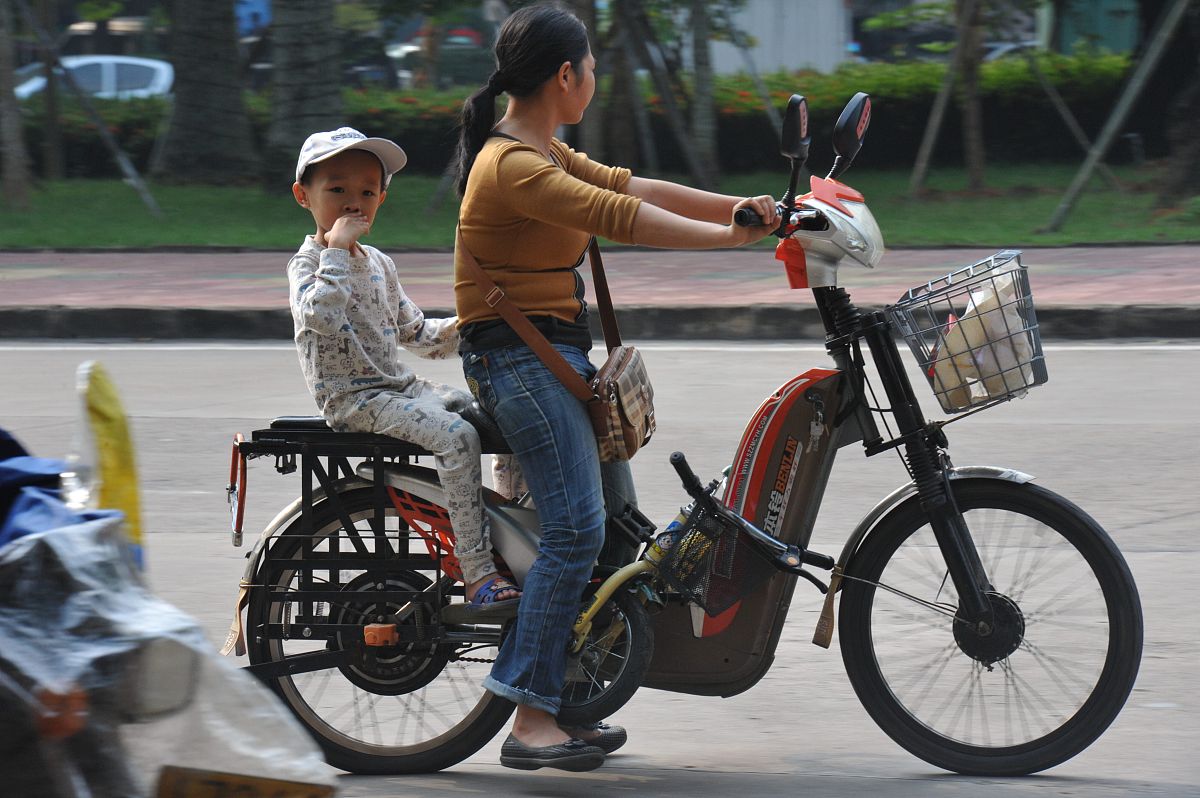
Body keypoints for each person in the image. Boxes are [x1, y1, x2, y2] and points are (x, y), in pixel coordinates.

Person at [453, 3, 780, 773]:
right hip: (516, 363)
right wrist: (732, 238)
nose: (593, 77)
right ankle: (531, 718)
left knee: (616, 526)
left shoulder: (546, 149)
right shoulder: (513, 165)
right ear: (566, 76)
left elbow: (637, 186)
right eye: (591, 66)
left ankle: (570, 694)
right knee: (574, 530)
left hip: (555, 357)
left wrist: (754, 208)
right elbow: (620, 215)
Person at [288, 126, 520, 611]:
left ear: (382, 199)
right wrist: (335, 252)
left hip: (402, 389)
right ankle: (478, 574)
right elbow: (322, 318)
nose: (354, 203)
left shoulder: (379, 264)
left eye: (367, 192)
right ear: (302, 196)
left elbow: (419, 336)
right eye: (337, 190)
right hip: (354, 400)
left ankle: (514, 536)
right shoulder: (307, 264)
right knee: (456, 438)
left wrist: (478, 317)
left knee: (511, 416)